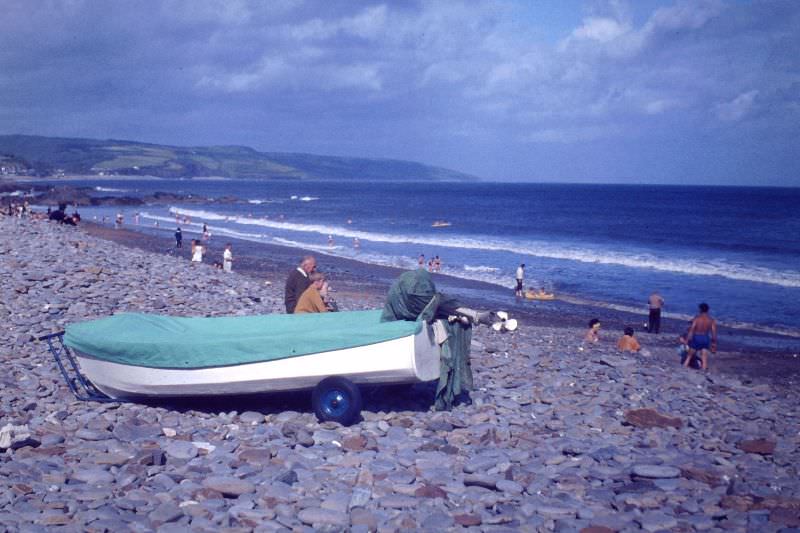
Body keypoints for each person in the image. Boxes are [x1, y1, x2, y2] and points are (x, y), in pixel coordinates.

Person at [684, 303, 717, 370]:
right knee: (704, 356)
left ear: (700, 309)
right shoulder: (711, 320)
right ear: (708, 310)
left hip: (697, 337)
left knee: (689, 355)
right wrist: (714, 343)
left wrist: (687, 340)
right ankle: (703, 369)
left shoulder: (697, 318)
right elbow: (714, 333)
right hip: (705, 337)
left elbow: (692, 329)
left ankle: (684, 368)